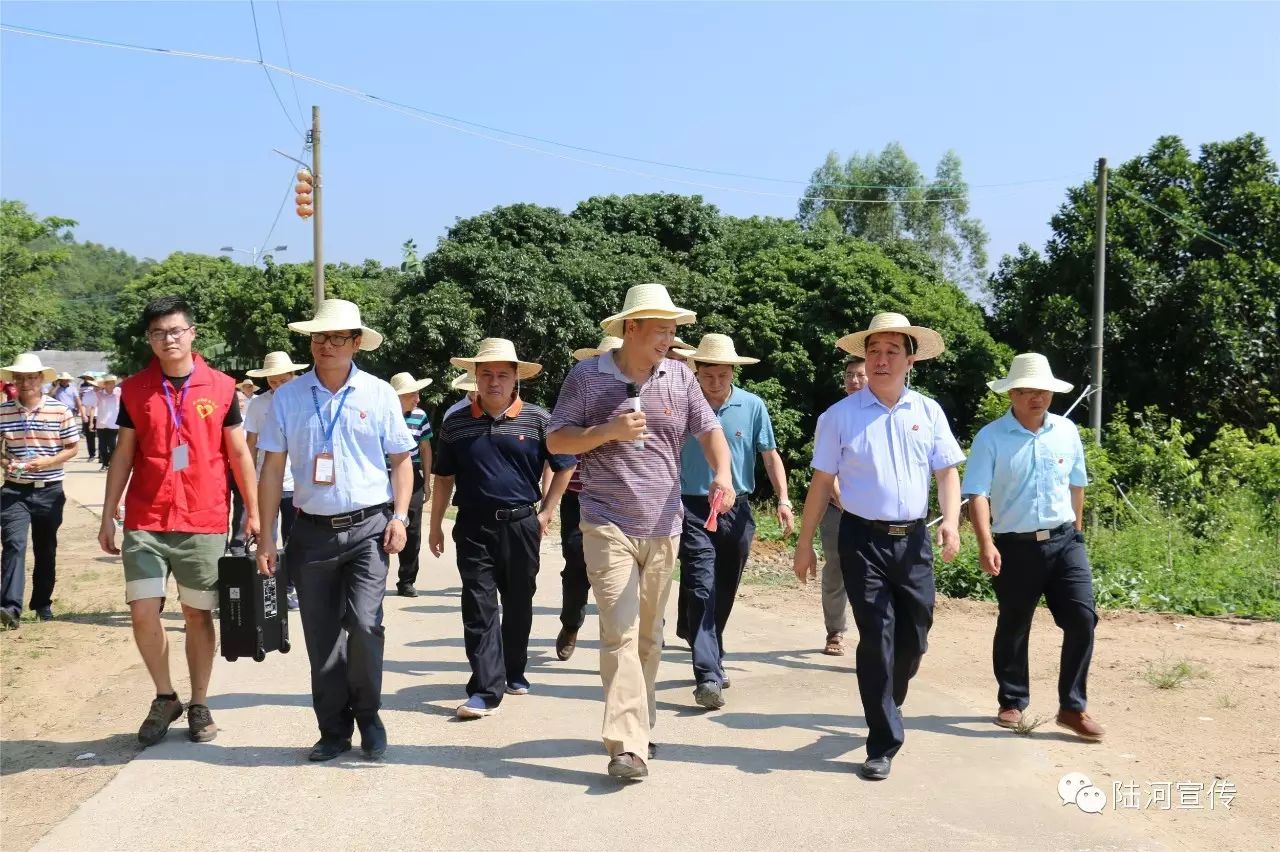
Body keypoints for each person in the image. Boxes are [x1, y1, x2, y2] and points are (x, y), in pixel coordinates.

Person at [548, 282, 733, 780]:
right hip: (606, 521)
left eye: (673, 332)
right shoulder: (587, 377)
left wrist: (723, 472)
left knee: (650, 636)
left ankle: (640, 721)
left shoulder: (679, 377)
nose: (669, 341)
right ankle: (627, 744)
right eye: (661, 331)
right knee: (620, 632)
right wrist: (607, 432)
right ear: (631, 328)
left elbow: (709, 428)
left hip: (665, 524)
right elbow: (557, 436)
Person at [792, 312, 964, 780]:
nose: (881, 360)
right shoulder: (840, 417)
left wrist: (951, 521)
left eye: (892, 352)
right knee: (877, 636)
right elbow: (822, 482)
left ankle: (890, 700)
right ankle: (882, 741)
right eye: (874, 351)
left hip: (913, 543)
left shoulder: (927, 412)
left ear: (910, 360)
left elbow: (947, 471)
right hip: (861, 539)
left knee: (914, 638)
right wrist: (805, 543)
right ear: (863, 359)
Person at [255, 298, 415, 762]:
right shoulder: (286, 398)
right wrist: (266, 535)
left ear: (356, 343)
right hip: (310, 532)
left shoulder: (378, 393)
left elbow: (402, 460)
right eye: (319, 337)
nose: (326, 345)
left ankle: (369, 715)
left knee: (366, 626)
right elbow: (271, 471)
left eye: (337, 338)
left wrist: (400, 517)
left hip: (369, 528)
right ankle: (332, 729)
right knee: (321, 636)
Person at [98, 295, 260, 747]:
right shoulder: (134, 390)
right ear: (149, 339)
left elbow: (238, 453)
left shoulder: (223, 387)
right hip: (146, 519)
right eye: (158, 333)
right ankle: (165, 696)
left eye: (175, 330)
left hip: (203, 518)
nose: (168, 339)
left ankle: (200, 702)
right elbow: (124, 454)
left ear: (191, 333)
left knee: (197, 615)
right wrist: (110, 513)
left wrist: (254, 512)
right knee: (143, 610)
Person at [960, 353, 1104, 741]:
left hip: (1064, 541)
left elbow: (1077, 484)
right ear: (1012, 394)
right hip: (1014, 546)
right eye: (1025, 391)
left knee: (1082, 618)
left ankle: (1072, 707)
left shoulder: (1066, 431)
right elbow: (976, 493)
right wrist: (985, 542)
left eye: (1041, 390)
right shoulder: (990, 437)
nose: (1035, 397)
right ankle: (1012, 700)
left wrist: (1076, 531)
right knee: (1014, 623)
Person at [429, 339, 576, 718]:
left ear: (516, 381)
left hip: (522, 524)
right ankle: (485, 688)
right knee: (478, 605)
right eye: (487, 374)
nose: (494, 382)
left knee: (518, 601)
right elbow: (443, 477)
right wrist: (434, 526)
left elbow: (566, 465)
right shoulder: (456, 422)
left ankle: (514, 670)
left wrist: (546, 512)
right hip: (473, 525)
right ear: (475, 378)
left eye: (502, 376)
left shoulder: (539, 419)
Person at [672, 334, 793, 709]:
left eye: (723, 375)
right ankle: (707, 673)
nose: (715, 382)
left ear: (733, 371)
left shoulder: (752, 405)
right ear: (697, 370)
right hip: (691, 506)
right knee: (701, 584)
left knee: (724, 588)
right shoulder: (682, 405)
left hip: (736, 509)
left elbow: (769, 455)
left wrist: (785, 499)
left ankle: (705, 639)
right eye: (708, 375)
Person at [555, 335, 622, 662]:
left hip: (622, 500)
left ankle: (629, 634)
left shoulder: (635, 396)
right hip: (579, 497)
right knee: (577, 564)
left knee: (625, 569)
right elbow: (558, 442)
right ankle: (571, 623)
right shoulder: (580, 394)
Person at [1, 354, 80, 628]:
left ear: (41, 380)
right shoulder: (4, 412)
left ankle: (42, 603)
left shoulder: (60, 410)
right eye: (20, 378)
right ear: (13, 381)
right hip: (14, 491)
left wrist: (48, 461)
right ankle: (10, 607)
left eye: (31, 377)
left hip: (49, 490)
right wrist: (6, 462)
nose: (25, 383)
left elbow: (73, 447)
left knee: (45, 547)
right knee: (13, 544)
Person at [244, 351, 309, 611]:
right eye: (273, 382)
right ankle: (267, 588)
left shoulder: (305, 399)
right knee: (266, 539)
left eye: (283, 380)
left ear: (293, 376)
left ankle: (290, 587)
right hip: (266, 483)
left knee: (294, 539)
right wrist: (247, 479)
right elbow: (250, 445)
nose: (278, 386)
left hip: (297, 484)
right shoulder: (259, 404)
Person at [818, 356, 867, 656]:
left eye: (860, 375)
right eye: (849, 375)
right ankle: (835, 631)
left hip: (872, 512)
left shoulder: (883, 415)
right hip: (837, 507)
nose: (854, 380)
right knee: (836, 569)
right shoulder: (830, 417)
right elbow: (825, 468)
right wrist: (841, 498)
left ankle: (876, 633)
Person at [388, 371, 434, 597]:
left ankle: (406, 580)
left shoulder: (420, 416)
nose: (417, 399)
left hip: (413, 475)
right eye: (412, 395)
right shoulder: (383, 415)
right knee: (380, 525)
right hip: (384, 475)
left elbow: (426, 448)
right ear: (398, 396)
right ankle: (375, 578)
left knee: (412, 528)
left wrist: (426, 482)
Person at [95, 375, 121, 471]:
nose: (112, 385)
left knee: (112, 445)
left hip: (114, 424)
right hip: (101, 424)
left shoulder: (118, 392)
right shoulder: (99, 394)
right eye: (109, 383)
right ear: (105, 385)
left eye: (113, 383)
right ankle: (105, 464)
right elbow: (93, 407)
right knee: (102, 447)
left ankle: (113, 464)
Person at [78, 373, 99, 460]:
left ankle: (102, 456)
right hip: (89, 415)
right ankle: (92, 454)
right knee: (90, 437)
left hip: (100, 416)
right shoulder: (88, 393)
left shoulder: (104, 394)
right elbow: (83, 405)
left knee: (101, 437)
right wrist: (83, 415)